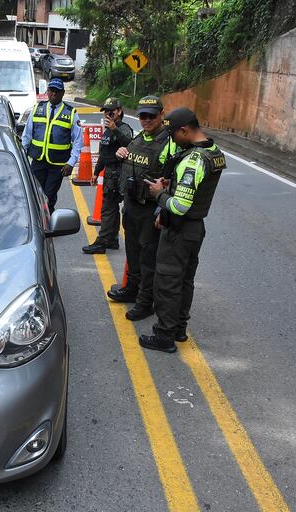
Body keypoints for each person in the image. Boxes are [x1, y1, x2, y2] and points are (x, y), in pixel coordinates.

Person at [138, 108, 226, 353]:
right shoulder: (213, 151)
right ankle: (178, 328)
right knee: (184, 280)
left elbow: (180, 206)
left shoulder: (193, 160)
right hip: (195, 229)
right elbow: (194, 189)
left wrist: (159, 194)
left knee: (167, 282)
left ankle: (164, 336)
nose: (173, 141)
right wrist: (172, 184)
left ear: (184, 130)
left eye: (174, 135)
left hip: (180, 230)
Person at [106, 96, 178, 321]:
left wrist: (163, 209)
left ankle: (146, 302)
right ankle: (132, 289)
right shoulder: (139, 137)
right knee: (133, 252)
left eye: (151, 116)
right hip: (132, 205)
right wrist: (121, 154)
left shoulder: (169, 143)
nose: (146, 120)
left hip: (150, 208)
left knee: (148, 258)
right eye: (142, 116)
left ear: (161, 115)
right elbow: (132, 163)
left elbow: (174, 180)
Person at [21, 78, 83, 213]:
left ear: (63, 93)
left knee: (49, 197)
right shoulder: (37, 109)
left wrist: (71, 163)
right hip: (38, 161)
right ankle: (37, 220)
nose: (54, 94)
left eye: (57, 91)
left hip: (58, 165)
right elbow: (27, 136)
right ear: (47, 91)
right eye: (52, 90)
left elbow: (78, 141)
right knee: (34, 195)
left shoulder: (71, 113)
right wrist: (22, 157)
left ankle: (48, 222)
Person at [82, 97, 133, 254]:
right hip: (108, 174)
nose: (108, 115)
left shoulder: (124, 128)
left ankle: (102, 242)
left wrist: (115, 129)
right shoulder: (106, 131)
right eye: (106, 112)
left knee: (107, 209)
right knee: (111, 209)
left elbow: (130, 144)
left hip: (118, 175)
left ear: (119, 111)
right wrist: (96, 172)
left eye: (111, 112)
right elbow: (103, 154)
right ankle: (112, 239)